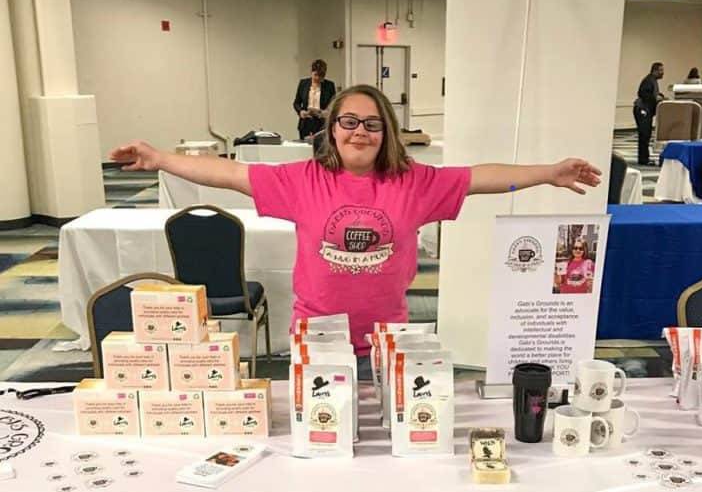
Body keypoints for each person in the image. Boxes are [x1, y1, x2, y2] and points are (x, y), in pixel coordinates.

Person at [110, 84, 601, 365]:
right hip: (316, 340)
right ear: (332, 128)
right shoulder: (302, 179)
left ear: (386, 131)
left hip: (387, 340)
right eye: (348, 121)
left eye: (372, 123)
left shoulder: (415, 182)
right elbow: (229, 173)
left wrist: (548, 173)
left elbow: (480, 177)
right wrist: (160, 158)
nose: (359, 131)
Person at [293, 59, 336, 139]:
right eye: (315, 75)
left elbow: (333, 105)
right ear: (311, 72)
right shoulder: (303, 83)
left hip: (321, 123)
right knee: (304, 145)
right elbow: (296, 103)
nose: (317, 78)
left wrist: (323, 112)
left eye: (321, 76)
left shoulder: (329, 85)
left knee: (321, 145)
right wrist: (301, 112)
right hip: (305, 123)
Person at [633, 62, 664, 166]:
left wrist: (660, 96)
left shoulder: (653, 80)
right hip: (642, 110)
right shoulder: (648, 80)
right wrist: (655, 98)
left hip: (646, 111)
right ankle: (643, 159)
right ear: (655, 70)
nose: (662, 72)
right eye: (660, 70)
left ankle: (644, 158)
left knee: (646, 135)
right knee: (644, 135)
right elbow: (642, 93)